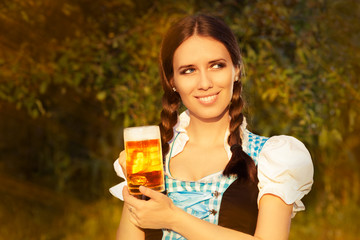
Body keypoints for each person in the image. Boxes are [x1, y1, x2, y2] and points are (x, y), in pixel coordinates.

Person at [110, 14, 313, 240]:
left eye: (216, 65)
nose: (205, 83)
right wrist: (137, 192)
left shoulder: (270, 157)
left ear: (236, 69)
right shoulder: (153, 156)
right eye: (189, 70)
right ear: (172, 81)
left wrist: (172, 218)